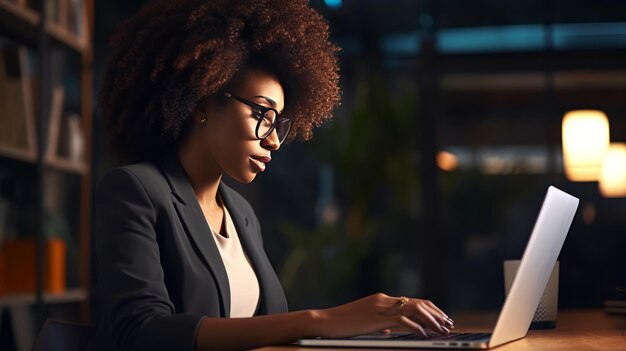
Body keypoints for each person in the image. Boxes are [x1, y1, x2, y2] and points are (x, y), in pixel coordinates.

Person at [94, 0, 453, 350]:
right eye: (262, 115)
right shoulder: (135, 191)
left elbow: (262, 328)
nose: (274, 141)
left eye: (279, 124)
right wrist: (318, 321)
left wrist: (357, 332)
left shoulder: (242, 215)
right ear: (203, 101)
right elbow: (142, 332)